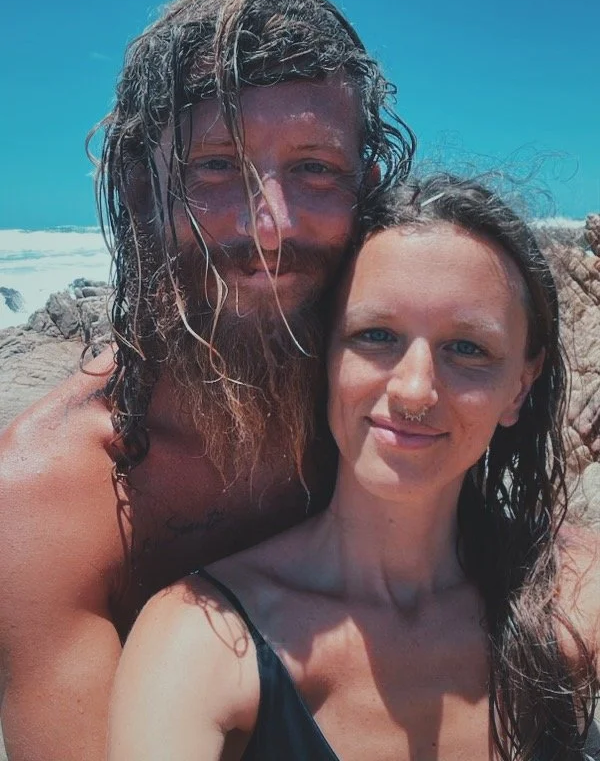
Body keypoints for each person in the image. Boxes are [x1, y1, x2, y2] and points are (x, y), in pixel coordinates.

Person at [0, 0, 415, 761]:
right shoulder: (53, 493)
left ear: (364, 188)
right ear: (139, 189)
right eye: (217, 166)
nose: (271, 227)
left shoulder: (405, 401)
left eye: (316, 169)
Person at [108, 175, 600, 761]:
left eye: (468, 348)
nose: (414, 391)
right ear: (325, 358)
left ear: (520, 385)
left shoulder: (575, 593)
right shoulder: (202, 641)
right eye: (376, 336)